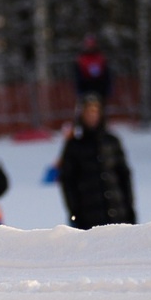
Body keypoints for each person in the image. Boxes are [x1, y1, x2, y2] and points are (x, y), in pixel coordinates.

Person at [57, 95, 136, 229]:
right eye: (88, 112)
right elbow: (68, 181)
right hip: (88, 218)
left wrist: (130, 209)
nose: (92, 116)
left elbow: (124, 175)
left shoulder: (111, 141)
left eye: (94, 112)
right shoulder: (74, 145)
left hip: (118, 214)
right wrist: (74, 213)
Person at [74, 35, 110, 103]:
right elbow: (78, 75)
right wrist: (80, 90)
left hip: (99, 84)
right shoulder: (81, 58)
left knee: (99, 102)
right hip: (86, 85)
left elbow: (106, 74)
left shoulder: (100, 56)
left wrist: (107, 88)